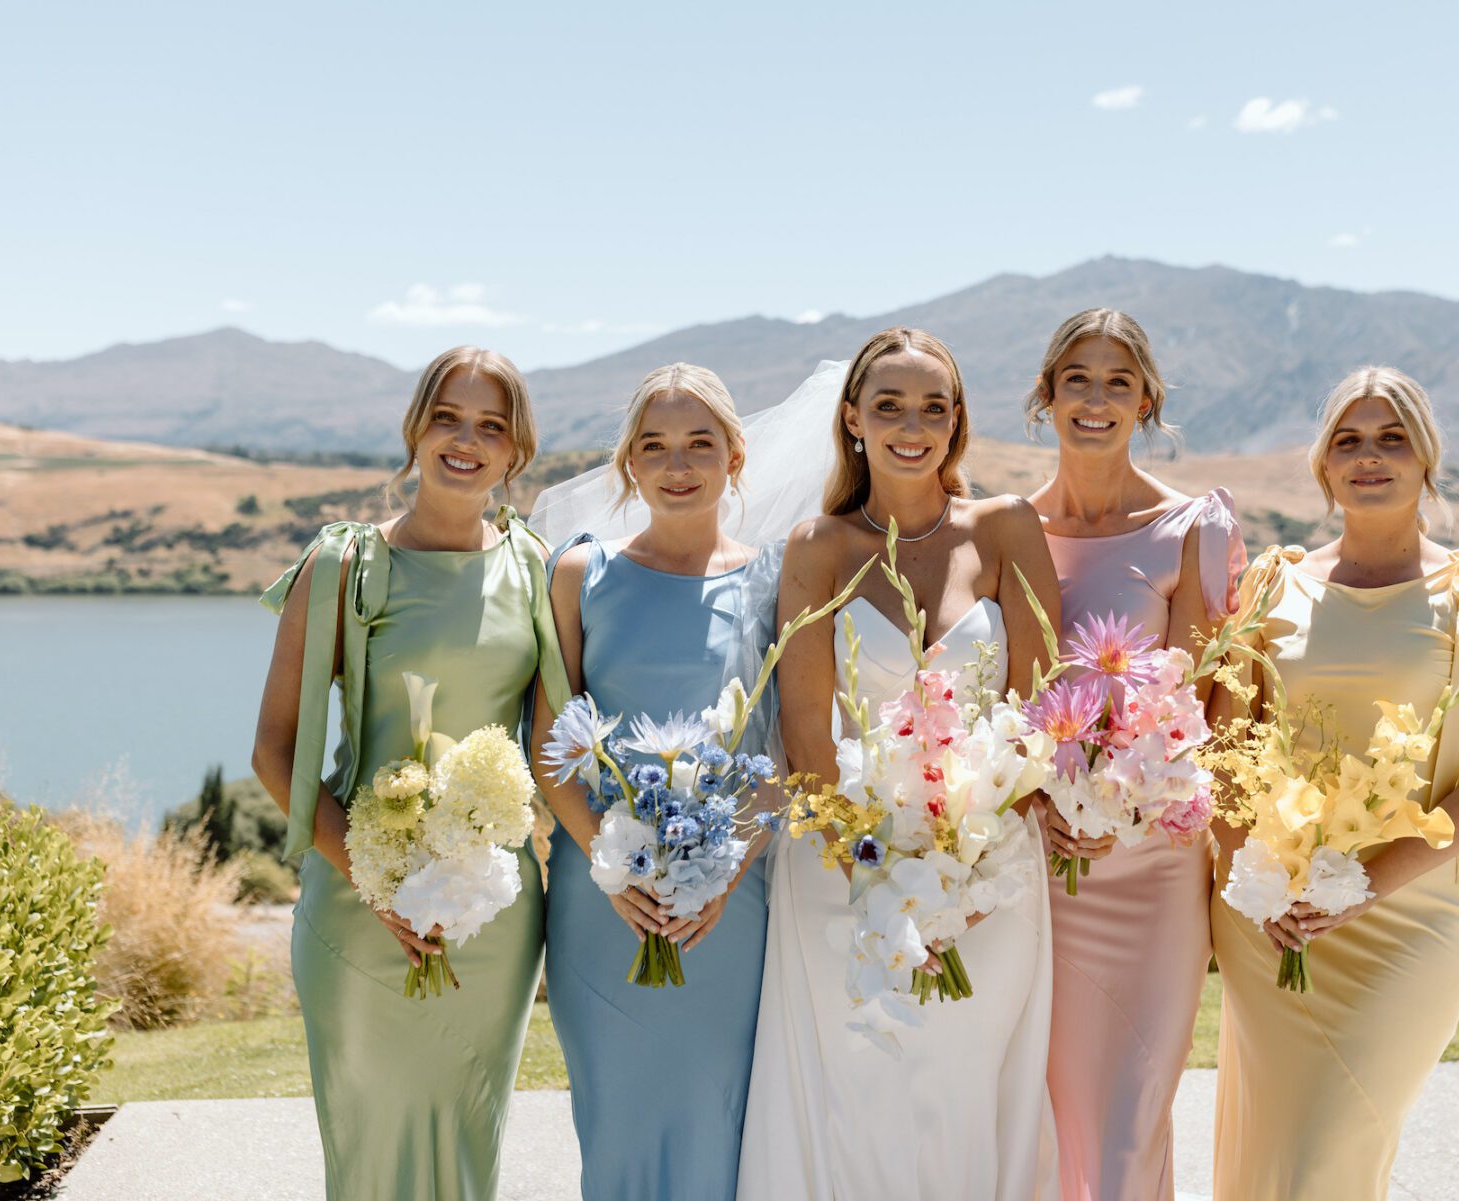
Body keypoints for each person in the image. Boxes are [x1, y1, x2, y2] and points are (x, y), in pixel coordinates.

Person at [738, 327, 1064, 1201]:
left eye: (933, 406)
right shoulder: (819, 547)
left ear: (957, 421)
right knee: (860, 1095)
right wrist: (889, 882)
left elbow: (1037, 714)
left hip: (989, 866)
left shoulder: (1006, 528)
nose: (911, 425)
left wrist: (960, 871)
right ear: (852, 419)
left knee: (968, 1088)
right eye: (888, 405)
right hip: (846, 872)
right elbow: (808, 735)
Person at [1209, 365, 1459, 1201]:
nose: (1370, 457)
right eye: (1348, 441)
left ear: (1426, 459)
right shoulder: (1270, 588)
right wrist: (1260, 881)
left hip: (1412, 915)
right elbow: (1220, 750)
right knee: (1285, 1155)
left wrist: (1365, 881)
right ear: (1323, 466)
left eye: (1392, 438)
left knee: (1330, 1149)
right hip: (1274, 919)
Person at [252, 346, 568, 1200]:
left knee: (469, 1149)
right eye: (448, 418)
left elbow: (554, 744)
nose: (466, 441)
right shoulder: (344, 566)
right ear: (416, 430)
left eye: (491, 427)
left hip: (492, 922)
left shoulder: (533, 568)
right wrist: (375, 880)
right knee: (370, 1155)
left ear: (515, 452)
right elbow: (274, 752)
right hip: (360, 911)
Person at [533, 363, 780, 1200]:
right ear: (628, 463)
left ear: (735, 456)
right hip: (599, 898)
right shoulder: (579, 574)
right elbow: (551, 744)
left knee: (718, 1112)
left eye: (699, 444)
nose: (678, 464)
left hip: (730, 908)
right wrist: (613, 863)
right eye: (655, 446)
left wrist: (723, 869)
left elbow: (784, 761)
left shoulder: (775, 584)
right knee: (617, 1122)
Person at [1024, 309, 1246, 1201]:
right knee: (1040, 1123)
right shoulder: (1005, 528)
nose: (1096, 398)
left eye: (1118, 382)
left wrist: (1124, 807)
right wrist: (1044, 803)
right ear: (1046, 396)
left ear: (1147, 399)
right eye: (1077, 378)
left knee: (1124, 1134)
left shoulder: (1193, 528)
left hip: (1152, 869)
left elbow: (1204, 709)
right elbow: (997, 699)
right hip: (1035, 868)